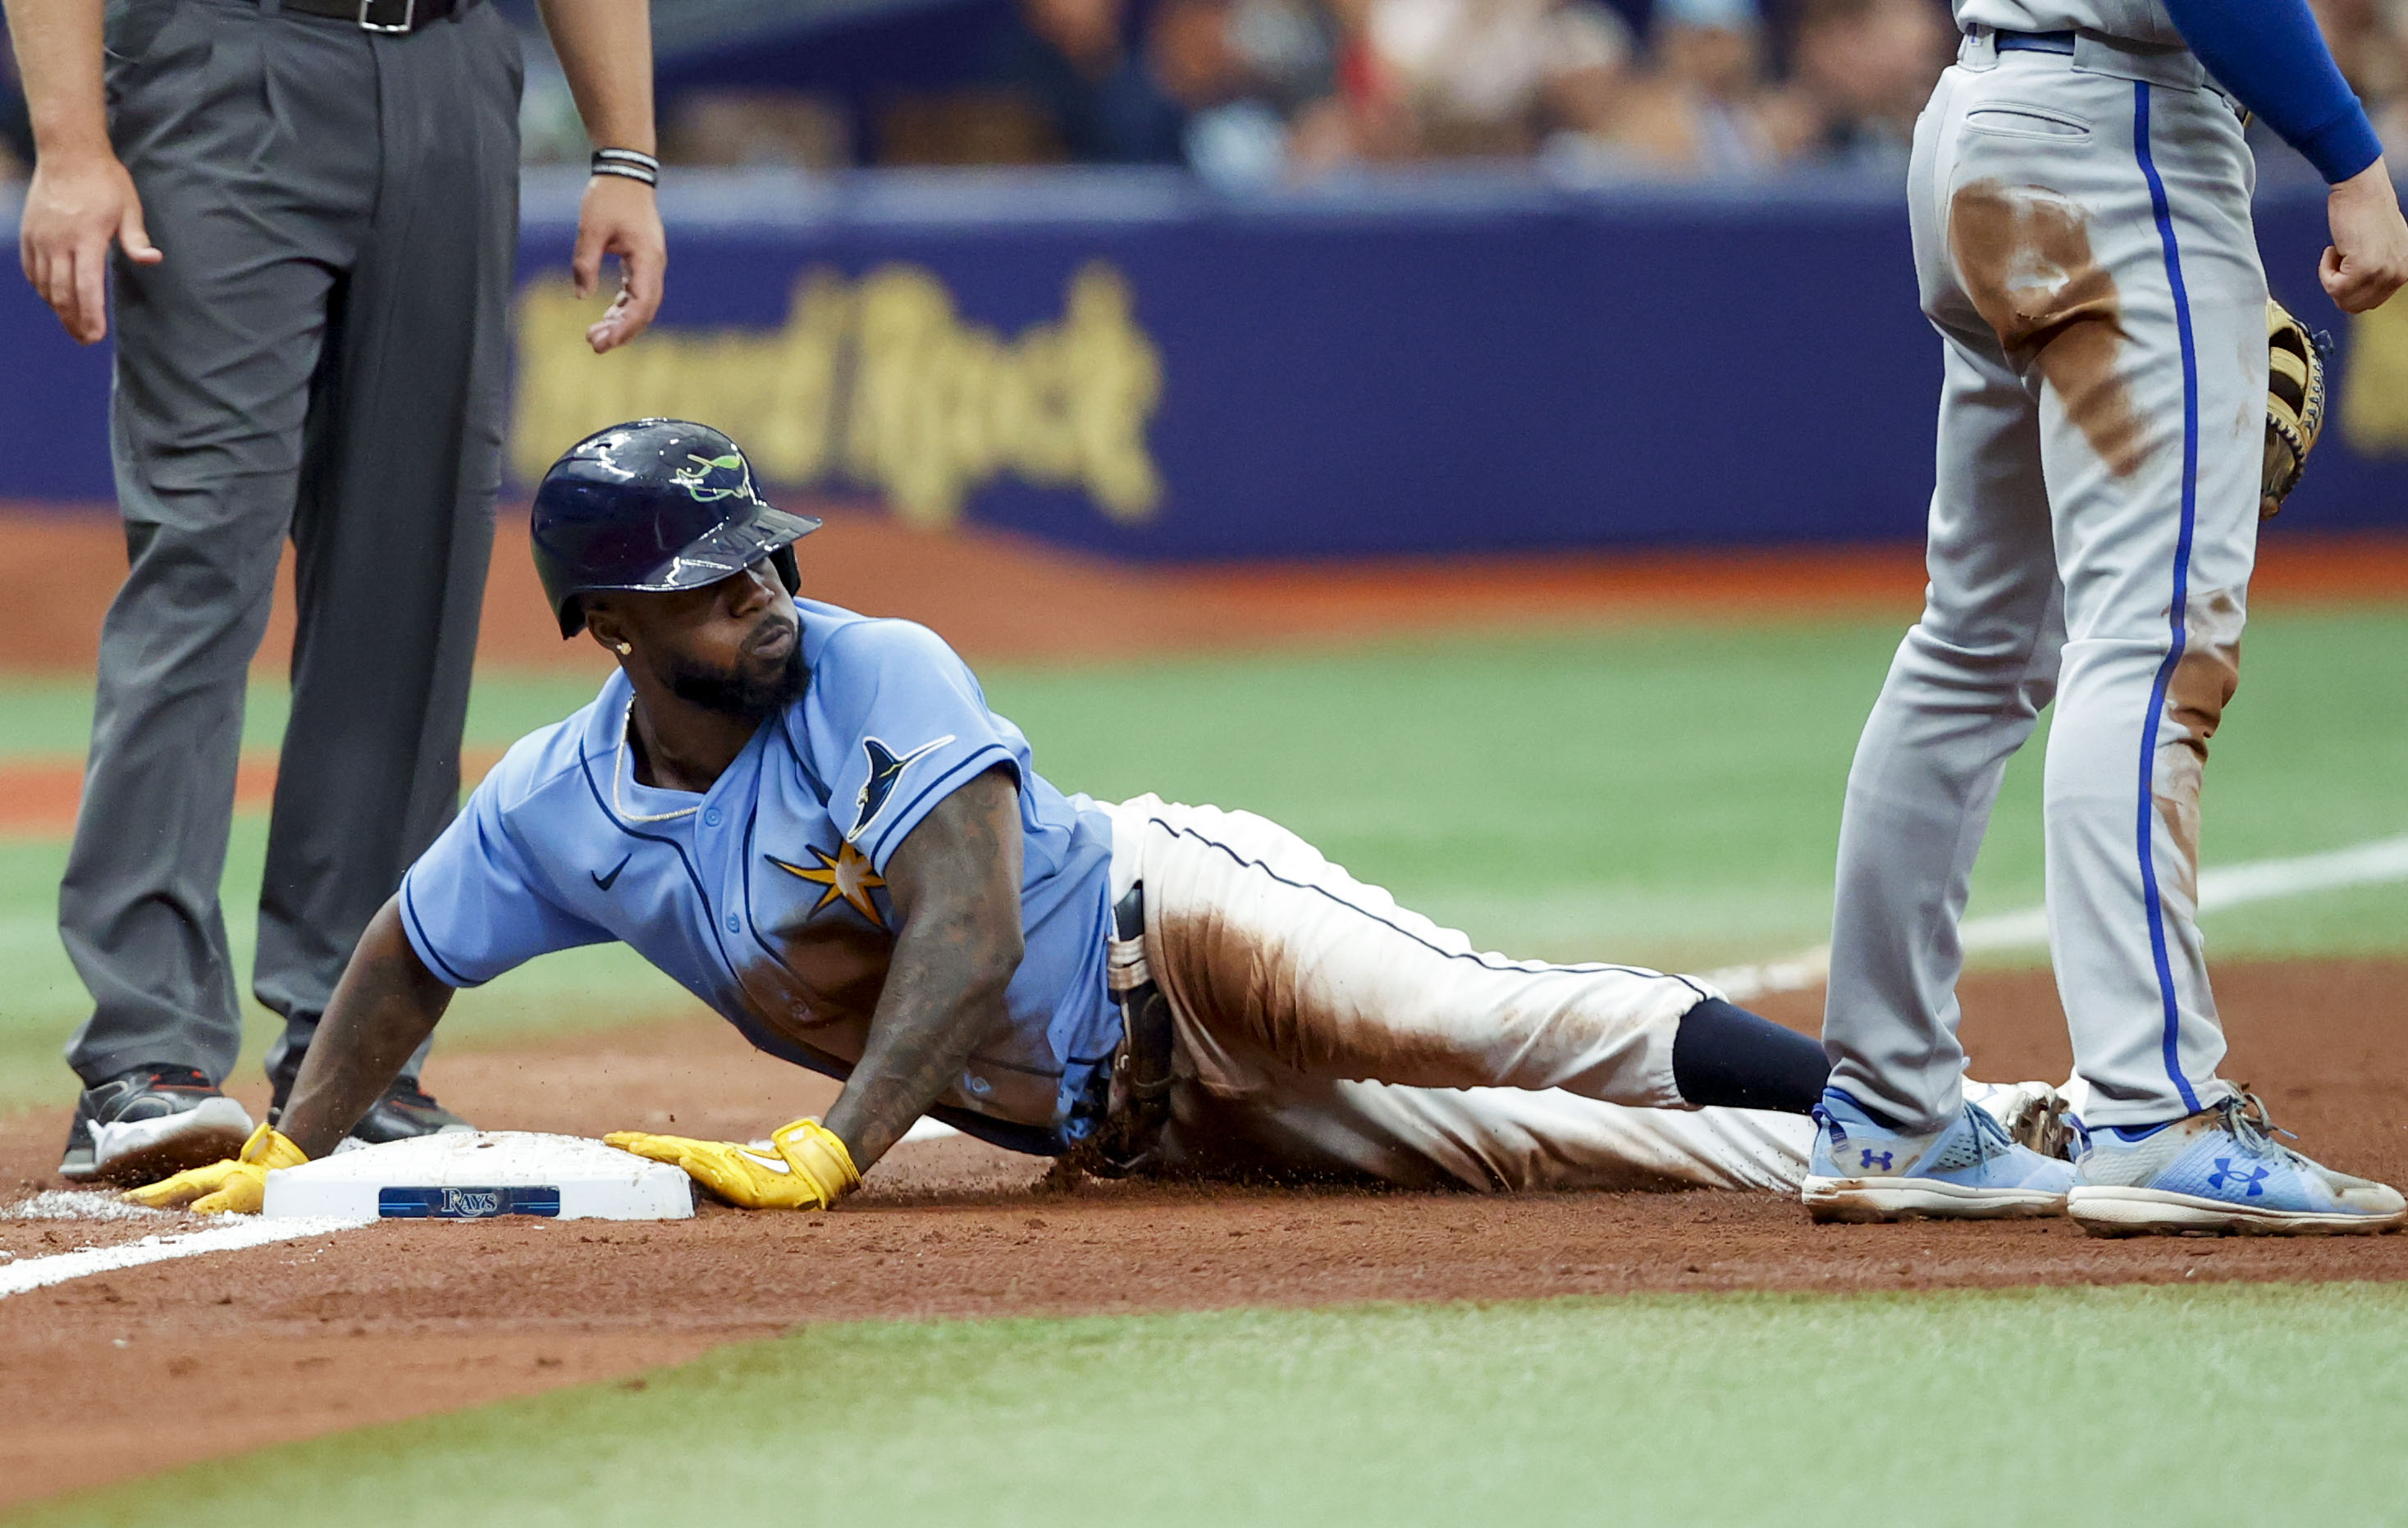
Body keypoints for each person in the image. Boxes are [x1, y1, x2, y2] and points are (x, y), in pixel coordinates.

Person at [128, 418, 1900, 1216]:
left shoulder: (876, 664)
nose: (762, 591)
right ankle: (1987, 1129)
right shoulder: (553, 806)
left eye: (763, 555)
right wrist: (300, 1136)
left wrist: (837, 1148)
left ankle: (1895, 1102)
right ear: (608, 625)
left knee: (1503, 1023)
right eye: (709, 579)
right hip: (1128, 1131)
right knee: (1544, 1158)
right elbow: (405, 953)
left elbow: (970, 927)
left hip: (1182, 926)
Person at [7, 0, 667, 1182]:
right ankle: (144, 1055)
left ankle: (351, 1060)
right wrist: (68, 143)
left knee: (408, 587)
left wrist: (625, 150)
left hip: (455, 71)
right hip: (227, 56)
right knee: (202, 556)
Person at [1808, 0, 2408, 1232]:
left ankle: (1886, 1105)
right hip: (2118, 140)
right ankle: (2152, 1109)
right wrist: (2352, 158)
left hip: (1984, 117)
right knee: (2148, 644)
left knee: (1975, 644)